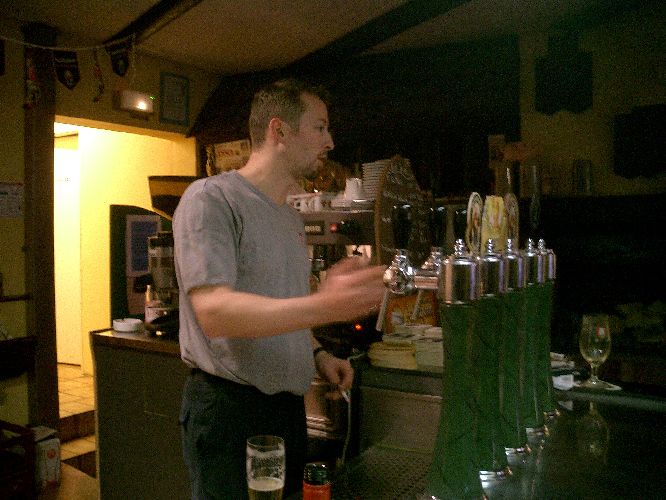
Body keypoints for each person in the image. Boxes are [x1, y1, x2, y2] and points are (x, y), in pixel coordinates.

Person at [173, 78, 385, 499]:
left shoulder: (289, 218)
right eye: (319, 127)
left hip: (285, 411)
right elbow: (214, 312)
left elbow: (281, 306)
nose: (330, 141)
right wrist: (325, 306)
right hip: (230, 411)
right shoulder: (211, 199)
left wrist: (318, 354)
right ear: (279, 131)